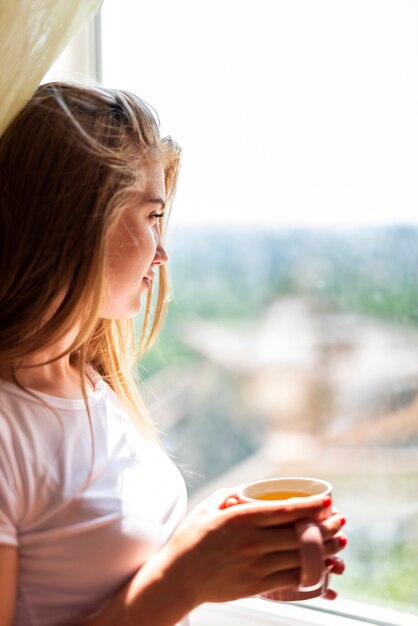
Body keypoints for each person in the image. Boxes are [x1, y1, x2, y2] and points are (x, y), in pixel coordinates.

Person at [0, 82, 347, 626]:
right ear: (79, 218)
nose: (162, 254)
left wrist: (222, 552)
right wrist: (186, 577)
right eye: (152, 217)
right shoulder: (7, 429)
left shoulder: (92, 386)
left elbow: (101, 582)